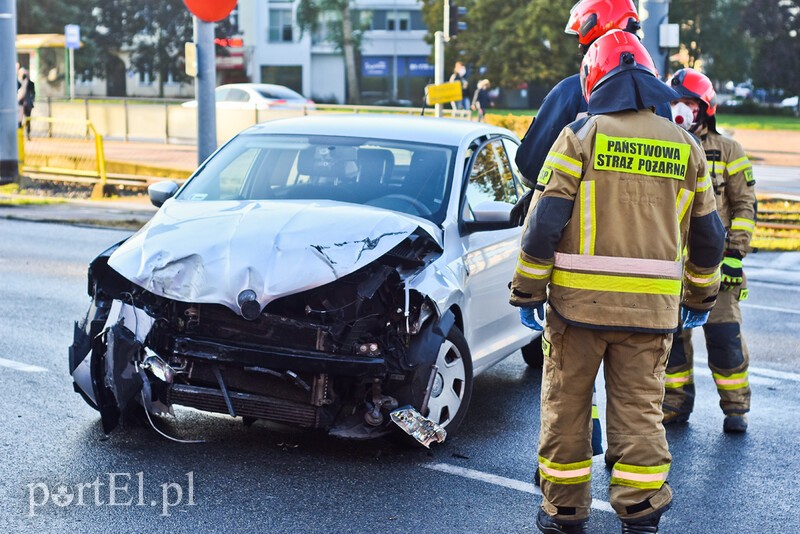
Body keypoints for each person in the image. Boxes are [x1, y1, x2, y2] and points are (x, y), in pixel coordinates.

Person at [510, 31, 725, 533]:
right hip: (651, 316)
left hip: (576, 311)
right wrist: (699, 297)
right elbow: (710, 237)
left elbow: (543, 225)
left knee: (566, 410)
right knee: (639, 414)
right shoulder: (687, 146)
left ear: (595, 81)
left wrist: (528, 291)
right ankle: (641, 511)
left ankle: (565, 512)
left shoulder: (580, 136)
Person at [510, 0, 673, 227]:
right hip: (651, 234)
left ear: (594, 34)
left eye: (582, 39)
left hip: (582, 234)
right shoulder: (661, 100)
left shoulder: (568, 93)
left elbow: (530, 168)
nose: (579, 47)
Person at [663, 68, 757, 433]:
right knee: (671, 342)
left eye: (688, 103)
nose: (681, 110)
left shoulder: (728, 150)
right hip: (672, 266)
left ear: (705, 108)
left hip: (718, 267)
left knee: (724, 339)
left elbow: (745, 205)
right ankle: (674, 405)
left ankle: (736, 408)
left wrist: (734, 255)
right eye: (675, 102)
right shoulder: (666, 145)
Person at [17, 68, 35, 140]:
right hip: (20, 105)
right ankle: (19, 135)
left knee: (28, 120)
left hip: (27, 105)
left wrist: (30, 101)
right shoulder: (18, 83)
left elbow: (33, 94)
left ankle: (28, 134)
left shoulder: (31, 83)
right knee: (19, 120)